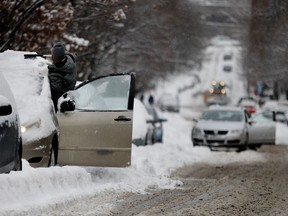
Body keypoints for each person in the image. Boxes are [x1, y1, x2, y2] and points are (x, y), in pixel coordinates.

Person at [48, 42, 77, 112]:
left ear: (58, 59)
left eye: (54, 58)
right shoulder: (70, 58)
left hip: (63, 98)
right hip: (69, 89)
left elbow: (54, 92)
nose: (52, 59)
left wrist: (51, 71)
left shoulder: (58, 73)